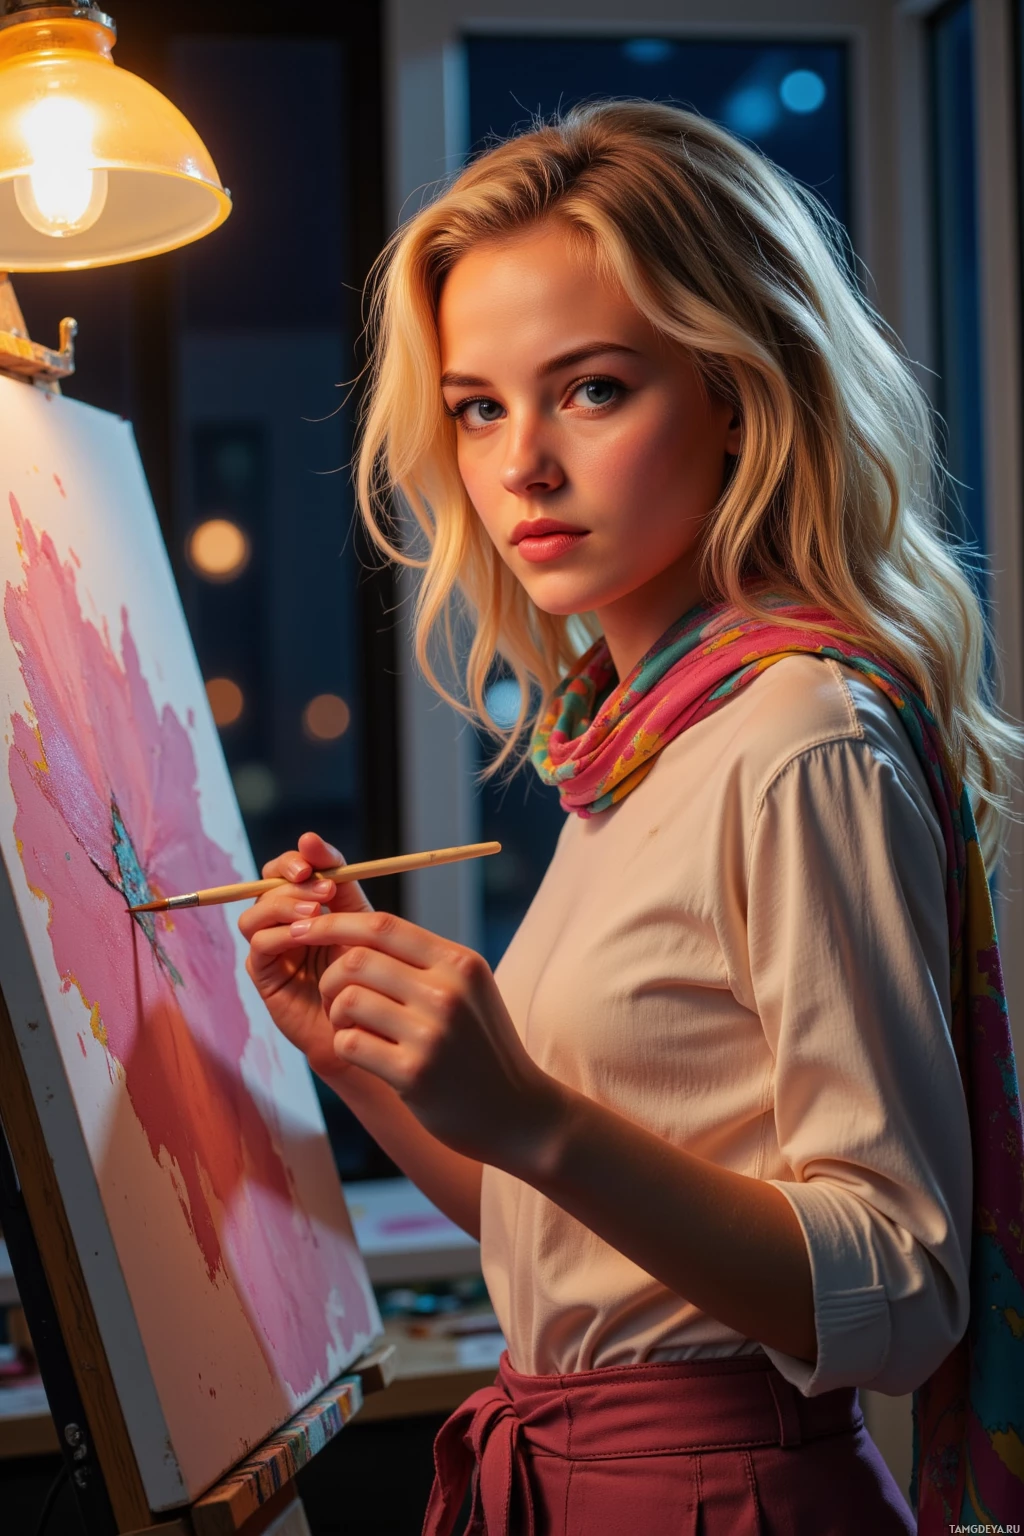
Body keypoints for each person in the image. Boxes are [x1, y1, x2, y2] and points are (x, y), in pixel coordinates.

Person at [238, 103, 1024, 1534]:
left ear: (737, 390)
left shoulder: (798, 737)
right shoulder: (636, 737)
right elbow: (563, 1228)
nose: (520, 463)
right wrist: (363, 1061)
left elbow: (903, 1291)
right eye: (479, 405)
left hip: (724, 1496)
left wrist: (534, 1114)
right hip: (583, 1483)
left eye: (590, 389)